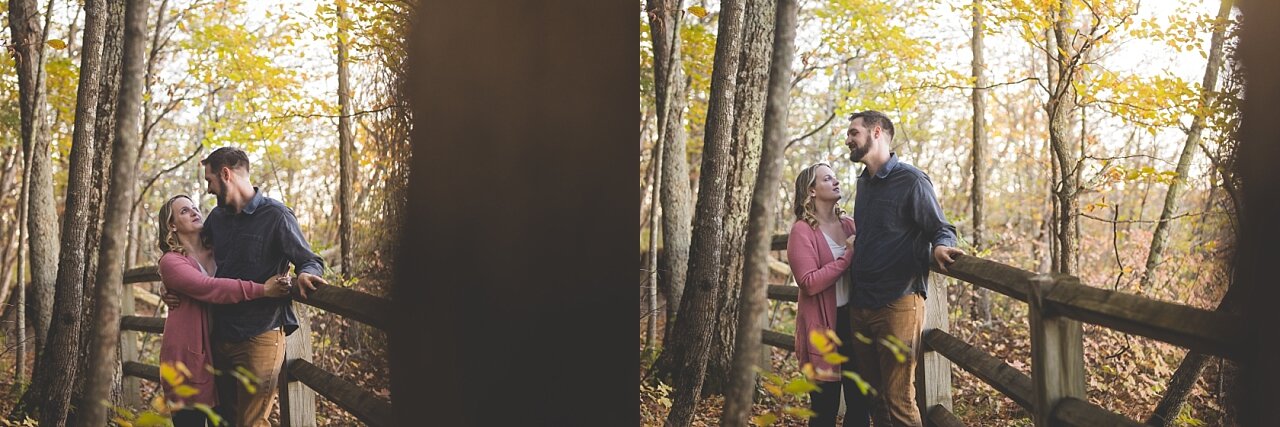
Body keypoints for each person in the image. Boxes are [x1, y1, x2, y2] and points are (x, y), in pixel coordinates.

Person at [843, 110, 964, 427]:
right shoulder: (864, 184)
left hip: (898, 302)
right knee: (875, 397)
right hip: (862, 303)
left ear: (877, 132)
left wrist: (940, 246)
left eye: (854, 132)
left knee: (899, 399)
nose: (848, 139)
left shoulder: (911, 179)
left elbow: (940, 227)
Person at [200, 147, 329, 427]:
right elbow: (193, 261)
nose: (209, 189)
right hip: (220, 334)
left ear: (226, 174)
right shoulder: (216, 219)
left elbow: (309, 259)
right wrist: (171, 286)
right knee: (222, 421)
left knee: (251, 422)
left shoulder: (276, 216)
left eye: (210, 180)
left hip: (260, 334)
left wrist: (306, 273)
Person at [157, 194, 292, 427]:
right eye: (184, 211)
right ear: (171, 225)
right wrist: (263, 290)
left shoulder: (220, 251)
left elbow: (253, 260)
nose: (194, 212)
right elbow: (208, 287)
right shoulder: (170, 261)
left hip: (220, 350)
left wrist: (283, 270)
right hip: (186, 359)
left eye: (195, 207)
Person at [787, 163, 872, 427]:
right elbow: (809, 282)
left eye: (835, 177)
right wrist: (847, 256)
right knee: (825, 409)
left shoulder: (850, 225)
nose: (836, 181)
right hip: (822, 329)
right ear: (811, 190)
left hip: (855, 322)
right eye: (827, 178)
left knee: (860, 404)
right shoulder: (802, 230)